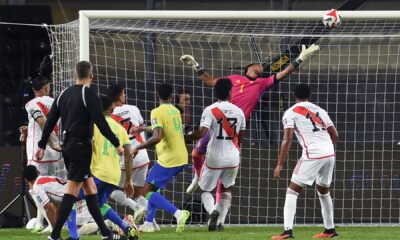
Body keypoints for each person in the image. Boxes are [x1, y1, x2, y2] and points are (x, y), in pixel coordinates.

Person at [180, 44, 320, 194]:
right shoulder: (232, 79)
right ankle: (196, 177)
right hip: (218, 122)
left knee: (225, 176)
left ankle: (218, 213)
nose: (262, 67)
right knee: (196, 153)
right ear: (249, 67)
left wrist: (299, 59)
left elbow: (284, 73)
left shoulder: (262, 83)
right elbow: (210, 81)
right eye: (258, 65)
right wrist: (196, 65)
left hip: (234, 129)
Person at [36, 61, 124, 240]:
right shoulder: (88, 93)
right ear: (91, 76)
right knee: (72, 192)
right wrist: (116, 143)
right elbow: (100, 121)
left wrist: (41, 144)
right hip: (81, 148)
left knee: (90, 189)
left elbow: (51, 120)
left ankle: (106, 234)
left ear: (76, 75)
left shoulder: (63, 94)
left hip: (67, 147)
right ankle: (54, 236)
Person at [271, 84, 339, 239]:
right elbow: (335, 135)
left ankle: (287, 231)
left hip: (313, 153)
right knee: (323, 191)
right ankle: (330, 230)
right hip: (329, 153)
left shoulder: (291, 112)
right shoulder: (320, 111)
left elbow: (287, 139)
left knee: (292, 190)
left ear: (295, 97)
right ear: (310, 96)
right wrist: (325, 147)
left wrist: (280, 164)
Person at [185, 78, 245, 231]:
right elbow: (240, 138)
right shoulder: (239, 112)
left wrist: (184, 137)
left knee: (205, 190)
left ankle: (213, 212)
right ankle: (220, 223)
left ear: (216, 92)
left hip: (214, 158)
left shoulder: (210, 110)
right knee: (227, 189)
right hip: (233, 158)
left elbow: (202, 133)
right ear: (230, 92)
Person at [131, 83, 190, 233]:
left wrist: (138, 146)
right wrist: (142, 128)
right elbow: (159, 127)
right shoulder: (175, 111)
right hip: (180, 156)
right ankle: (148, 223)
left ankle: (178, 213)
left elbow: (157, 136)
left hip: (169, 159)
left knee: (144, 191)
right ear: (171, 96)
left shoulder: (156, 111)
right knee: (153, 189)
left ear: (158, 95)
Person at [77, 95, 137, 240]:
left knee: (72, 196)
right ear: (112, 108)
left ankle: (73, 234)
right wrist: (129, 180)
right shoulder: (121, 129)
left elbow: (88, 147)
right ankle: (126, 227)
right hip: (114, 176)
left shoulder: (94, 125)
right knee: (100, 204)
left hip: (98, 172)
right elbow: (128, 155)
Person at [106, 84, 150, 224]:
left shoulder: (108, 116)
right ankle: (151, 223)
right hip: (142, 156)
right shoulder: (133, 109)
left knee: (110, 190)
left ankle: (136, 207)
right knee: (137, 193)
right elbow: (141, 127)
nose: (125, 95)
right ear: (119, 96)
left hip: (125, 159)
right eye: (123, 93)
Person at [24, 76, 61, 233]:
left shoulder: (31, 103)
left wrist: (49, 141)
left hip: (39, 149)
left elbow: (42, 122)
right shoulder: (56, 102)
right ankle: (53, 222)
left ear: (34, 89)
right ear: (47, 88)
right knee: (54, 187)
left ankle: (44, 222)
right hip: (56, 151)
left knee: (35, 187)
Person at [23, 165, 80, 240]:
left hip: (67, 197)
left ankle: (56, 237)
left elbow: (48, 209)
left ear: (26, 179)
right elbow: (55, 207)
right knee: (73, 233)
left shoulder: (37, 186)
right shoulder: (45, 178)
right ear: (38, 172)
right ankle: (72, 237)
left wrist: (55, 232)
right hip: (73, 192)